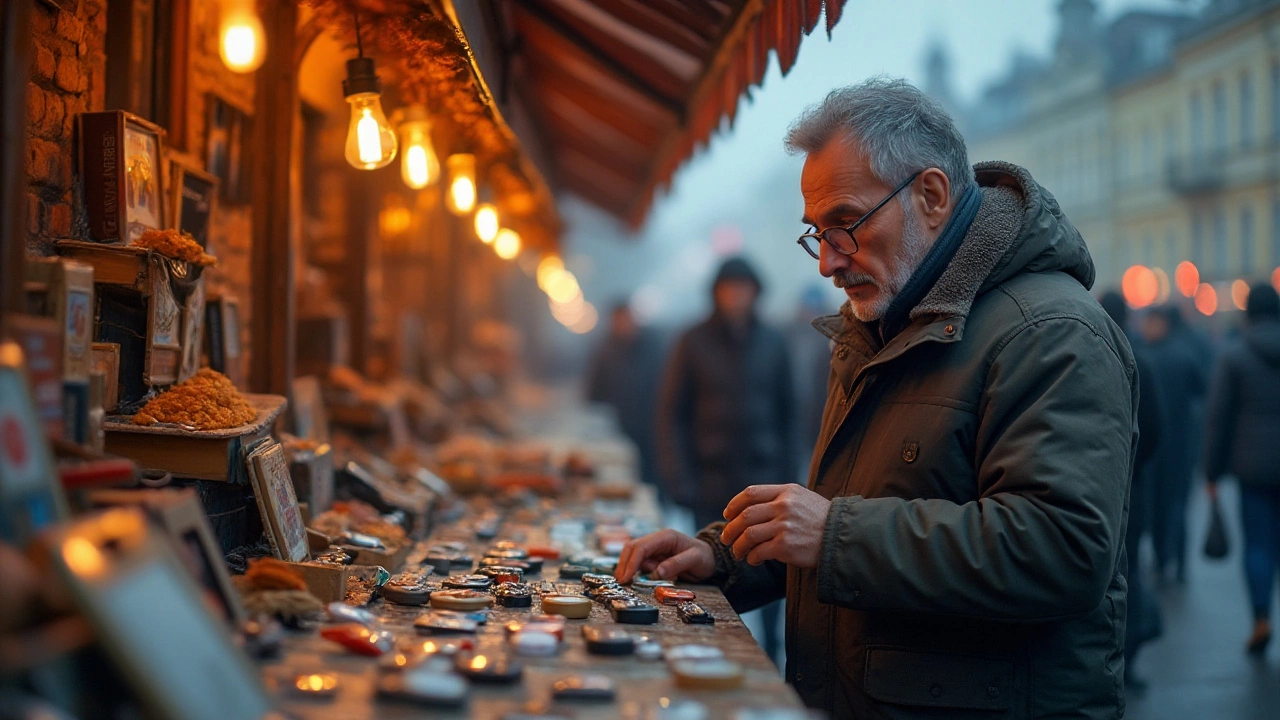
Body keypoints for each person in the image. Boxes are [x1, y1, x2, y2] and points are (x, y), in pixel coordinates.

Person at [618, 78, 1136, 719]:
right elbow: (852, 518)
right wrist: (724, 558)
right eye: (817, 233)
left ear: (932, 197)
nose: (827, 263)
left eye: (846, 225)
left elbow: (1062, 549)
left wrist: (832, 532)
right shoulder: (883, 324)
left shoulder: (1051, 333)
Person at [655, 256, 794, 664]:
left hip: (764, 480)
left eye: (743, 288)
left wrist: (792, 478)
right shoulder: (693, 340)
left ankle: (769, 654)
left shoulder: (773, 341)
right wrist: (679, 477)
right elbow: (671, 413)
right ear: (715, 293)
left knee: (769, 574)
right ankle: (711, 657)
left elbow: (789, 411)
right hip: (709, 481)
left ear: (756, 292)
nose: (736, 296)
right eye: (728, 288)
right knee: (711, 576)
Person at [1202, 282, 1280, 655]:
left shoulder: (1235, 356)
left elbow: (1218, 418)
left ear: (1248, 312)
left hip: (1253, 468)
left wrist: (1212, 473)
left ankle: (1261, 619)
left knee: (1259, 545)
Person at [1100, 291, 1165, 690]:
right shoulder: (1140, 358)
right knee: (1131, 571)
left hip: (1096, 485)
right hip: (1132, 486)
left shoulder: (1086, 351)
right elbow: (1156, 430)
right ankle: (1131, 656)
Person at [1142, 304, 1209, 584]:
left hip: (1156, 447)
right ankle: (1178, 563)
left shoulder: (1144, 357)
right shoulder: (1185, 356)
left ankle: (1163, 560)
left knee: (1159, 505)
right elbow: (1202, 393)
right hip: (1181, 445)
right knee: (1177, 505)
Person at [586, 303, 664, 489]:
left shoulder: (654, 348)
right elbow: (594, 392)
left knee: (653, 476)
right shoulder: (605, 351)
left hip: (651, 425)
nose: (623, 325)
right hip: (620, 428)